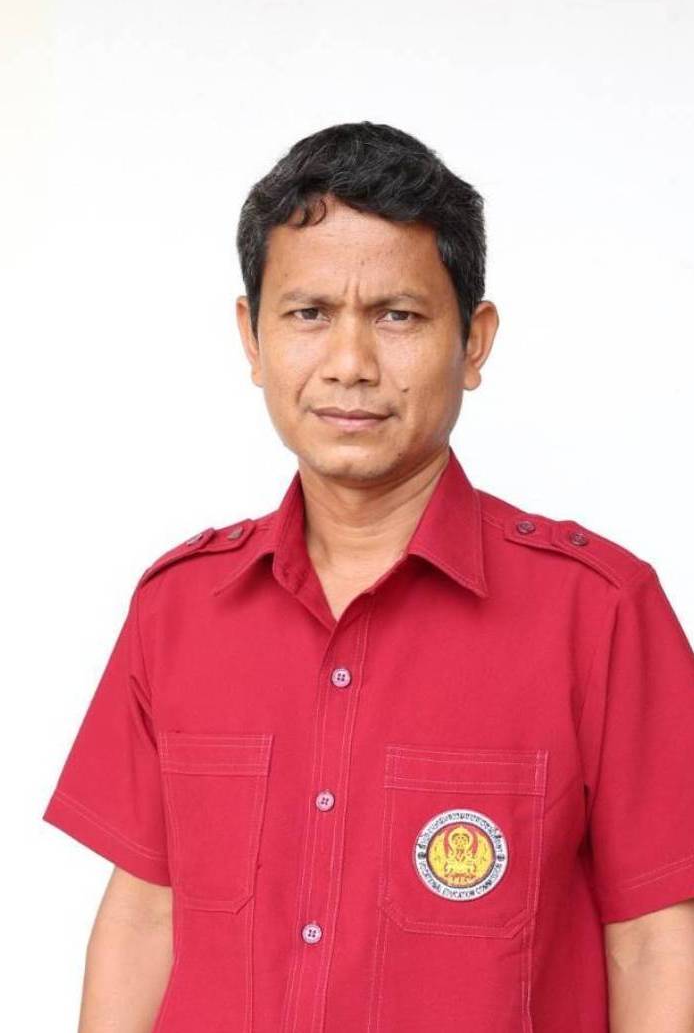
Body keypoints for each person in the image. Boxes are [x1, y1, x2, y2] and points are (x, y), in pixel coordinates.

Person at [41, 121, 694, 1033]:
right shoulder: (178, 608)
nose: (349, 365)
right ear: (252, 338)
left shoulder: (601, 613)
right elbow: (146, 914)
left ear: (474, 342)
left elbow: (656, 941)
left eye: (398, 316)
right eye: (308, 313)